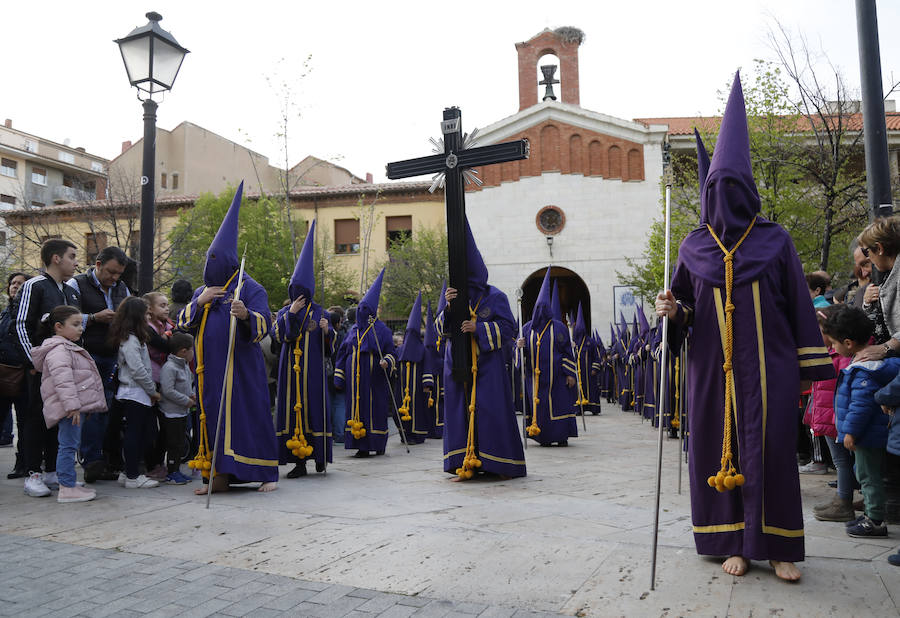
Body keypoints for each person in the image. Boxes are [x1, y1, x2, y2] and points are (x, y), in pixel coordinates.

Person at [655, 73, 834, 582]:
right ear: (710, 192)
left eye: (736, 187)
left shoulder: (775, 241)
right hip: (713, 370)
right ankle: (732, 539)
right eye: (719, 187)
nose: (727, 195)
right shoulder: (693, 247)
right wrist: (672, 312)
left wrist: (807, 370)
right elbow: (684, 311)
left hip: (770, 368)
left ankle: (776, 545)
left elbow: (800, 306)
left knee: (773, 450)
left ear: (749, 191)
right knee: (718, 445)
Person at [178, 182, 278, 494]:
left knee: (249, 417)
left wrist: (246, 314)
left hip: (241, 371)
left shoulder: (251, 287)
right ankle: (218, 474)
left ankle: (266, 474)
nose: (211, 264)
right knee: (212, 419)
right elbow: (181, 322)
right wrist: (200, 301)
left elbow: (266, 325)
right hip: (209, 373)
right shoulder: (201, 290)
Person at [442, 218, 525, 479]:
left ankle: (497, 462)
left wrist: (478, 328)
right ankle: (464, 459)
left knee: (491, 413)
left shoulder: (495, 297)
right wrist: (447, 308)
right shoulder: (452, 295)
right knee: (460, 414)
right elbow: (438, 330)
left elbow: (508, 329)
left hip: (489, 368)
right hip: (459, 365)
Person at [823, 305, 898, 538]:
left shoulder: (863, 370)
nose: (831, 347)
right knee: (866, 473)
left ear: (848, 343)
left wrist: (850, 433)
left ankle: (874, 521)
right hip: (869, 433)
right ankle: (871, 515)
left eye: (833, 343)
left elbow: (861, 406)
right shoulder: (871, 365)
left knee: (869, 476)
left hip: (866, 435)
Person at [14, 238, 81, 497]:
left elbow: (75, 328)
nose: (76, 262)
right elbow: (21, 324)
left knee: (59, 417)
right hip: (40, 369)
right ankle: (33, 473)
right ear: (56, 258)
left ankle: (53, 470)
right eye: (72, 256)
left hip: (64, 369)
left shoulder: (71, 291)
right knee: (36, 418)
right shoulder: (35, 285)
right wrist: (33, 361)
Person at [273, 220, 333, 478]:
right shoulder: (285, 311)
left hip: (314, 374)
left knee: (315, 411)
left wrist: (327, 332)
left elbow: (331, 348)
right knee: (292, 413)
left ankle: (319, 457)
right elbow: (278, 337)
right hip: (290, 374)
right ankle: (299, 462)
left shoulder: (322, 312)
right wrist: (291, 314)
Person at [30, 305, 106, 502]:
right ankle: (67, 487)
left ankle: (67, 482)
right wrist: (73, 406)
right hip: (69, 408)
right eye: (75, 324)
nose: (80, 328)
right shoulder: (59, 350)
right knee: (69, 446)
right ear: (58, 327)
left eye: (81, 324)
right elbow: (63, 381)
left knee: (69, 444)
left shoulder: (66, 347)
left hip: (72, 407)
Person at [67, 246, 129, 483]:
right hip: (86, 355)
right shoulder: (77, 284)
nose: (114, 278)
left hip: (112, 356)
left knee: (105, 408)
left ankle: (98, 458)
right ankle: (89, 458)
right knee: (88, 410)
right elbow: (65, 318)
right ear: (98, 264)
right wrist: (93, 318)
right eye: (111, 272)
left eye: (118, 274)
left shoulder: (121, 288)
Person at [334, 268, 396, 458]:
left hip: (375, 378)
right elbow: (343, 353)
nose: (362, 312)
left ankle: (377, 443)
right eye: (360, 309)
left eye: (365, 310)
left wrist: (387, 361)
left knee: (375, 409)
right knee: (355, 409)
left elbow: (391, 352)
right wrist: (339, 376)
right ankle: (360, 445)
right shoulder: (353, 330)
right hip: (355, 380)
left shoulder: (382, 330)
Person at [518, 269, 578, 447]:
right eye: (539, 308)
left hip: (556, 378)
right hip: (534, 379)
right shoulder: (527, 329)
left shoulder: (559, 328)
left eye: (545, 308)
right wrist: (518, 347)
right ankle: (541, 436)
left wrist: (570, 373)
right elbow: (519, 357)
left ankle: (561, 436)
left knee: (558, 405)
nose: (542, 311)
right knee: (539, 407)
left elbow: (567, 351)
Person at [110, 296, 160, 489]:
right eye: (146, 313)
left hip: (136, 392)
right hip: (135, 393)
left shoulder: (134, 338)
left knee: (139, 434)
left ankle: (127, 472)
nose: (149, 316)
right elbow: (137, 369)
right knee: (135, 434)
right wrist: (152, 390)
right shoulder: (131, 339)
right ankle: (132, 475)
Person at [811, 305, 855, 522]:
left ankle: (843, 502)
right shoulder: (828, 353)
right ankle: (843, 497)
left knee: (842, 462)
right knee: (842, 461)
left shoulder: (843, 357)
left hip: (836, 419)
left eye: (822, 330)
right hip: (828, 417)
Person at [143, 291, 174, 481]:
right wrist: (171, 339)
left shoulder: (168, 325)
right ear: (149, 309)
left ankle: (158, 463)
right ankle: (151, 464)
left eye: (166, 305)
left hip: (164, 378)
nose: (167, 308)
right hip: (151, 380)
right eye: (161, 305)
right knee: (150, 427)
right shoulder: (146, 327)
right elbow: (164, 345)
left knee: (166, 425)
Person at [159, 331, 195, 485]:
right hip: (171, 412)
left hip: (182, 411)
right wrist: (185, 400)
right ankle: (171, 472)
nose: (194, 352)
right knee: (174, 443)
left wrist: (192, 395)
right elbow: (167, 390)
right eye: (192, 349)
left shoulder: (184, 366)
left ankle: (176, 470)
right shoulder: (170, 367)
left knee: (181, 442)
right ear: (183, 351)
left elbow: (189, 383)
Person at [1, 272, 28, 474]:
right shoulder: (4, 312)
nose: (15, 286)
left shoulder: (27, 312)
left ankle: (23, 463)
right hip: (3, 373)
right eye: (13, 283)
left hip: (23, 373)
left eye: (20, 283)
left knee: (24, 421)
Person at [397, 292, 428, 444]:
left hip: (417, 388)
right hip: (402, 386)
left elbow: (427, 368)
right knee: (400, 408)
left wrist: (427, 384)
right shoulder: (400, 350)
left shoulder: (423, 351)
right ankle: (404, 434)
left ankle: (417, 435)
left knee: (417, 410)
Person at [422, 299, 445, 439]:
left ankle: (442, 428)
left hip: (445, 370)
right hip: (434, 371)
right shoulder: (431, 335)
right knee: (434, 401)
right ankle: (433, 429)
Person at [327, 306, 348, 443]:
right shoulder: (343, 336)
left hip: (327, 373)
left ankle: (330, 432)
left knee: (330, 403)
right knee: (339, 403)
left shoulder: (324, 335)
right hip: (339, 372)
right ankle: (340, 433)